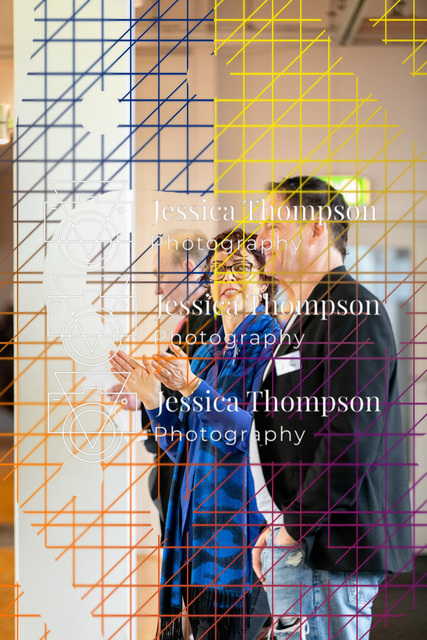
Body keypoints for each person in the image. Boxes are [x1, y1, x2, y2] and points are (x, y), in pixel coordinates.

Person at [251, 176, 412, 639]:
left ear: (316, 229)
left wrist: (294, 527)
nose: (260, 238)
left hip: (331, 546)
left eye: (274, 224)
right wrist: (282, 524)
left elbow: (349, 439)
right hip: (308, 539)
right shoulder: (312, 314)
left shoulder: (351, 311)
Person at [110, 228, 279, 640]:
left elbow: (255, 436)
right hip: (194, 536)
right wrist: (153, 399)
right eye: (218, 269)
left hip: (242, 539)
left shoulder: (272, 342)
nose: (227, 278)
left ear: (264, 280)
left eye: (240, 267)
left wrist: (191, 387)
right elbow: (181, 449)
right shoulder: (206, 351)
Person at [108, 231, 221, 539]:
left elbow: (199, 405)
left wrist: (149, 395)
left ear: (188, 268)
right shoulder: (195, 320)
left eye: (160, 275)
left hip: (195, 474)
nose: (157, 288)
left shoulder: (213, 323)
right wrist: (142, 394)